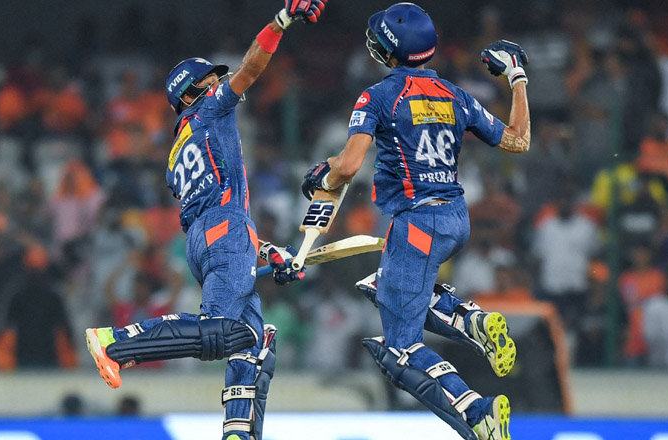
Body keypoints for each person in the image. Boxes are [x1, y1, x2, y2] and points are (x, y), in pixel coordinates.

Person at [84, 2, 328, 440]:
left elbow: (213, 214)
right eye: (213, 79)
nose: (223, 81)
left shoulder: (175, 153)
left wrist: (271, 255)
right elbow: (251, 68)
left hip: (206, 240)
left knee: (255, 342)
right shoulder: (210, 110)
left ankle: (239, 432)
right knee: (223, 330)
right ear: (194, 92)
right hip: (225, 230)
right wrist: (281, 22)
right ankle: (116, 343)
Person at [300, 4, 530, 439]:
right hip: (456, 218)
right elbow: (519, 140)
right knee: (379, 287)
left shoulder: (378, 95)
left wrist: (322, 177)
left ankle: (477, 412)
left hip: (417, 224)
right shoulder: (455, 95)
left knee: (400, 350)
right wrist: (516, 77)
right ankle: (471, 322)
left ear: (388, 49)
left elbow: (348, 166)